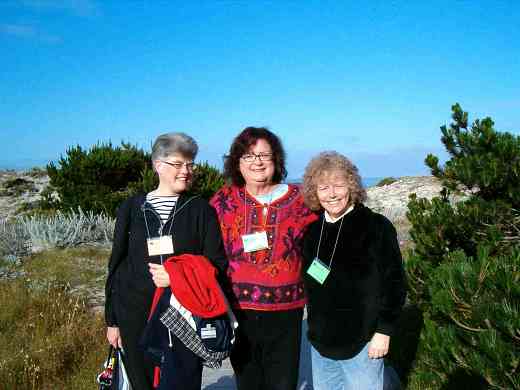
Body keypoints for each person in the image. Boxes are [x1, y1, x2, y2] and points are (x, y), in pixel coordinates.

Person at [105, 132, 228, 390]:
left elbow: (216, 264)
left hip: (183, 315)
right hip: (134, 315)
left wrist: (177, 277)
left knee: (182, 381)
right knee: (141, 382)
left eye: (190, 164)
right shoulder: (131, 208)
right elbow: (116, 266)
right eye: (178, 164)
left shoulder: (201, 210)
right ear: (158, 165)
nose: (186, 171)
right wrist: (112, 321)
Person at [210, 127, 317, 390]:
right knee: (248, 380)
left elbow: (327, 238)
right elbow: (206, 246)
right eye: (248, 155)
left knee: (283, 381)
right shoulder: (223, 200)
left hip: (287, 311)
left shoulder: (301, 199)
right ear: (237, 162)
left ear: (276, 160)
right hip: (238, 310)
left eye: (264, 155)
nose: (257, 161)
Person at [301, 151, 406, 390]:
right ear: (314, 192)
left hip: (364, 342)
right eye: (324, 187)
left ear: (352, 186)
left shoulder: (376, 226)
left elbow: (395, 283)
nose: (332, 194)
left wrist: (384, 331)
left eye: (339, 185)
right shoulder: (311, 233)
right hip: (321, 344)